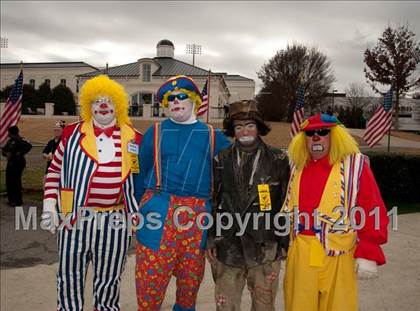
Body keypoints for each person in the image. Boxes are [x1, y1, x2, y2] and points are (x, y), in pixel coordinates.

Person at [41, 75, 142, 310]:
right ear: (89, 105)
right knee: (69, 275)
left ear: (118, 104)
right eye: (97, 101)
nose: (103, 105)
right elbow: (54, 171)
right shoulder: (71, 134)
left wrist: (136, 212)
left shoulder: (133, 137)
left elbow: (139, 179)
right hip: (74, 217)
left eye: (108, 100)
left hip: (116, 220)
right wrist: (49, 207)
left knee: (109, 277)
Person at [134, 75, 231, 311]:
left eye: (182, 97)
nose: (176, 102)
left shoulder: (212, 136)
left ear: (195, 101)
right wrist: (138, 209)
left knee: (190, 282)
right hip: (158, 210)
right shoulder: (154, 133)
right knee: (150, 283)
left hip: (197, 217)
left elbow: (235, 164)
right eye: (170, 99)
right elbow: (140, 171)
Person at [282, 113, 389, 311]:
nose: (316, 137)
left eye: (323, 132)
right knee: (298, 305)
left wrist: (369, 250)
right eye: (310, 133)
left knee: (339, 306)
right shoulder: (295, 164)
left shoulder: (355, 166)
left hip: (339, 252)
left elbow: (371, 207)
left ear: (335, 136)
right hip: (301, 251)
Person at [206, 99, 290, 311]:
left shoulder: (279, 159)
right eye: (239, 126)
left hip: (265, 248)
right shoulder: (220, 159)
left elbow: (285, 204)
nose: (245, 131)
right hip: (228, 247)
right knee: (226, 306)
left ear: (259, 127)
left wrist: (283, 242)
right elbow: (213, 200)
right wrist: (210, 239)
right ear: (233, 130)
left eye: (250, 125)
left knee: (264, 306)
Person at [1, 125, 32, 207]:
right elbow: (5, 150)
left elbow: (29, 146)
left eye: (9, 133)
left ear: (12, 133)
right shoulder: (10, 141)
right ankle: (11, 199)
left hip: (18, 163)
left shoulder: (20, 140)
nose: (8, 134)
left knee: (16, 182)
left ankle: (18, 201)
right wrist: (5, 152)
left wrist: (19, 153)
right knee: (9, 181)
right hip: (11, 163)